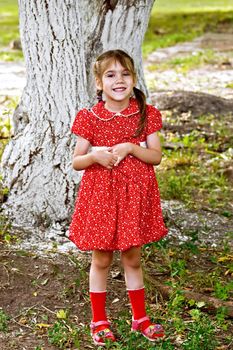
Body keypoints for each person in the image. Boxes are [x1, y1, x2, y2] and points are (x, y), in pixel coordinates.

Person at [69, 49, 168, 346]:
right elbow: (76, 161)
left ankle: (140, 318)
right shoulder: (90, 117)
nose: (119, 80)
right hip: (101, 196)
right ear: (99, 83)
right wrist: (95, 155)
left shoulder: (145, 114)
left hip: (134, 197)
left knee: (132, 256)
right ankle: (98, 320)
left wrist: (130, 148)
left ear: (134, 78)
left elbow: (156, 156)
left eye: (125, 73)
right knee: (101, 258)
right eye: (110, 75)